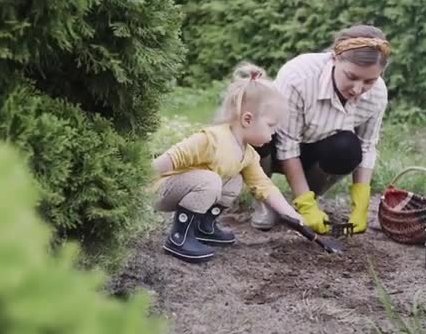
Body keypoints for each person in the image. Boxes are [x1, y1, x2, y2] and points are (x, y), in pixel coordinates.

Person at [151, 63, 304, 263]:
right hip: (164, 190)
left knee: (234, 181)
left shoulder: (248, 154)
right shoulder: (212, 139)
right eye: (271, 126)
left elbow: (264, 186)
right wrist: (137, 180)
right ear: (248, 119)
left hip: (191, 189)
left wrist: (291, 215)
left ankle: (203, 228)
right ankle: (179, 238)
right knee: (211, 180)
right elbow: (171, 158)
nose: (274, 133)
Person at [252, 24, 391, 235]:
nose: (358, 89)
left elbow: (367, 146)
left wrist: (360, 204)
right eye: (351, 77)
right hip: (276, 144)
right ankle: (266, 199)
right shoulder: (299, 76)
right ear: (334, 58)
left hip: (315, 151)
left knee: (348, 148)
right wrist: (304, 203)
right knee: (255, 128)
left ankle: (310, 195)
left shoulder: (377, 94)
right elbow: (287, 144)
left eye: (369, 81)